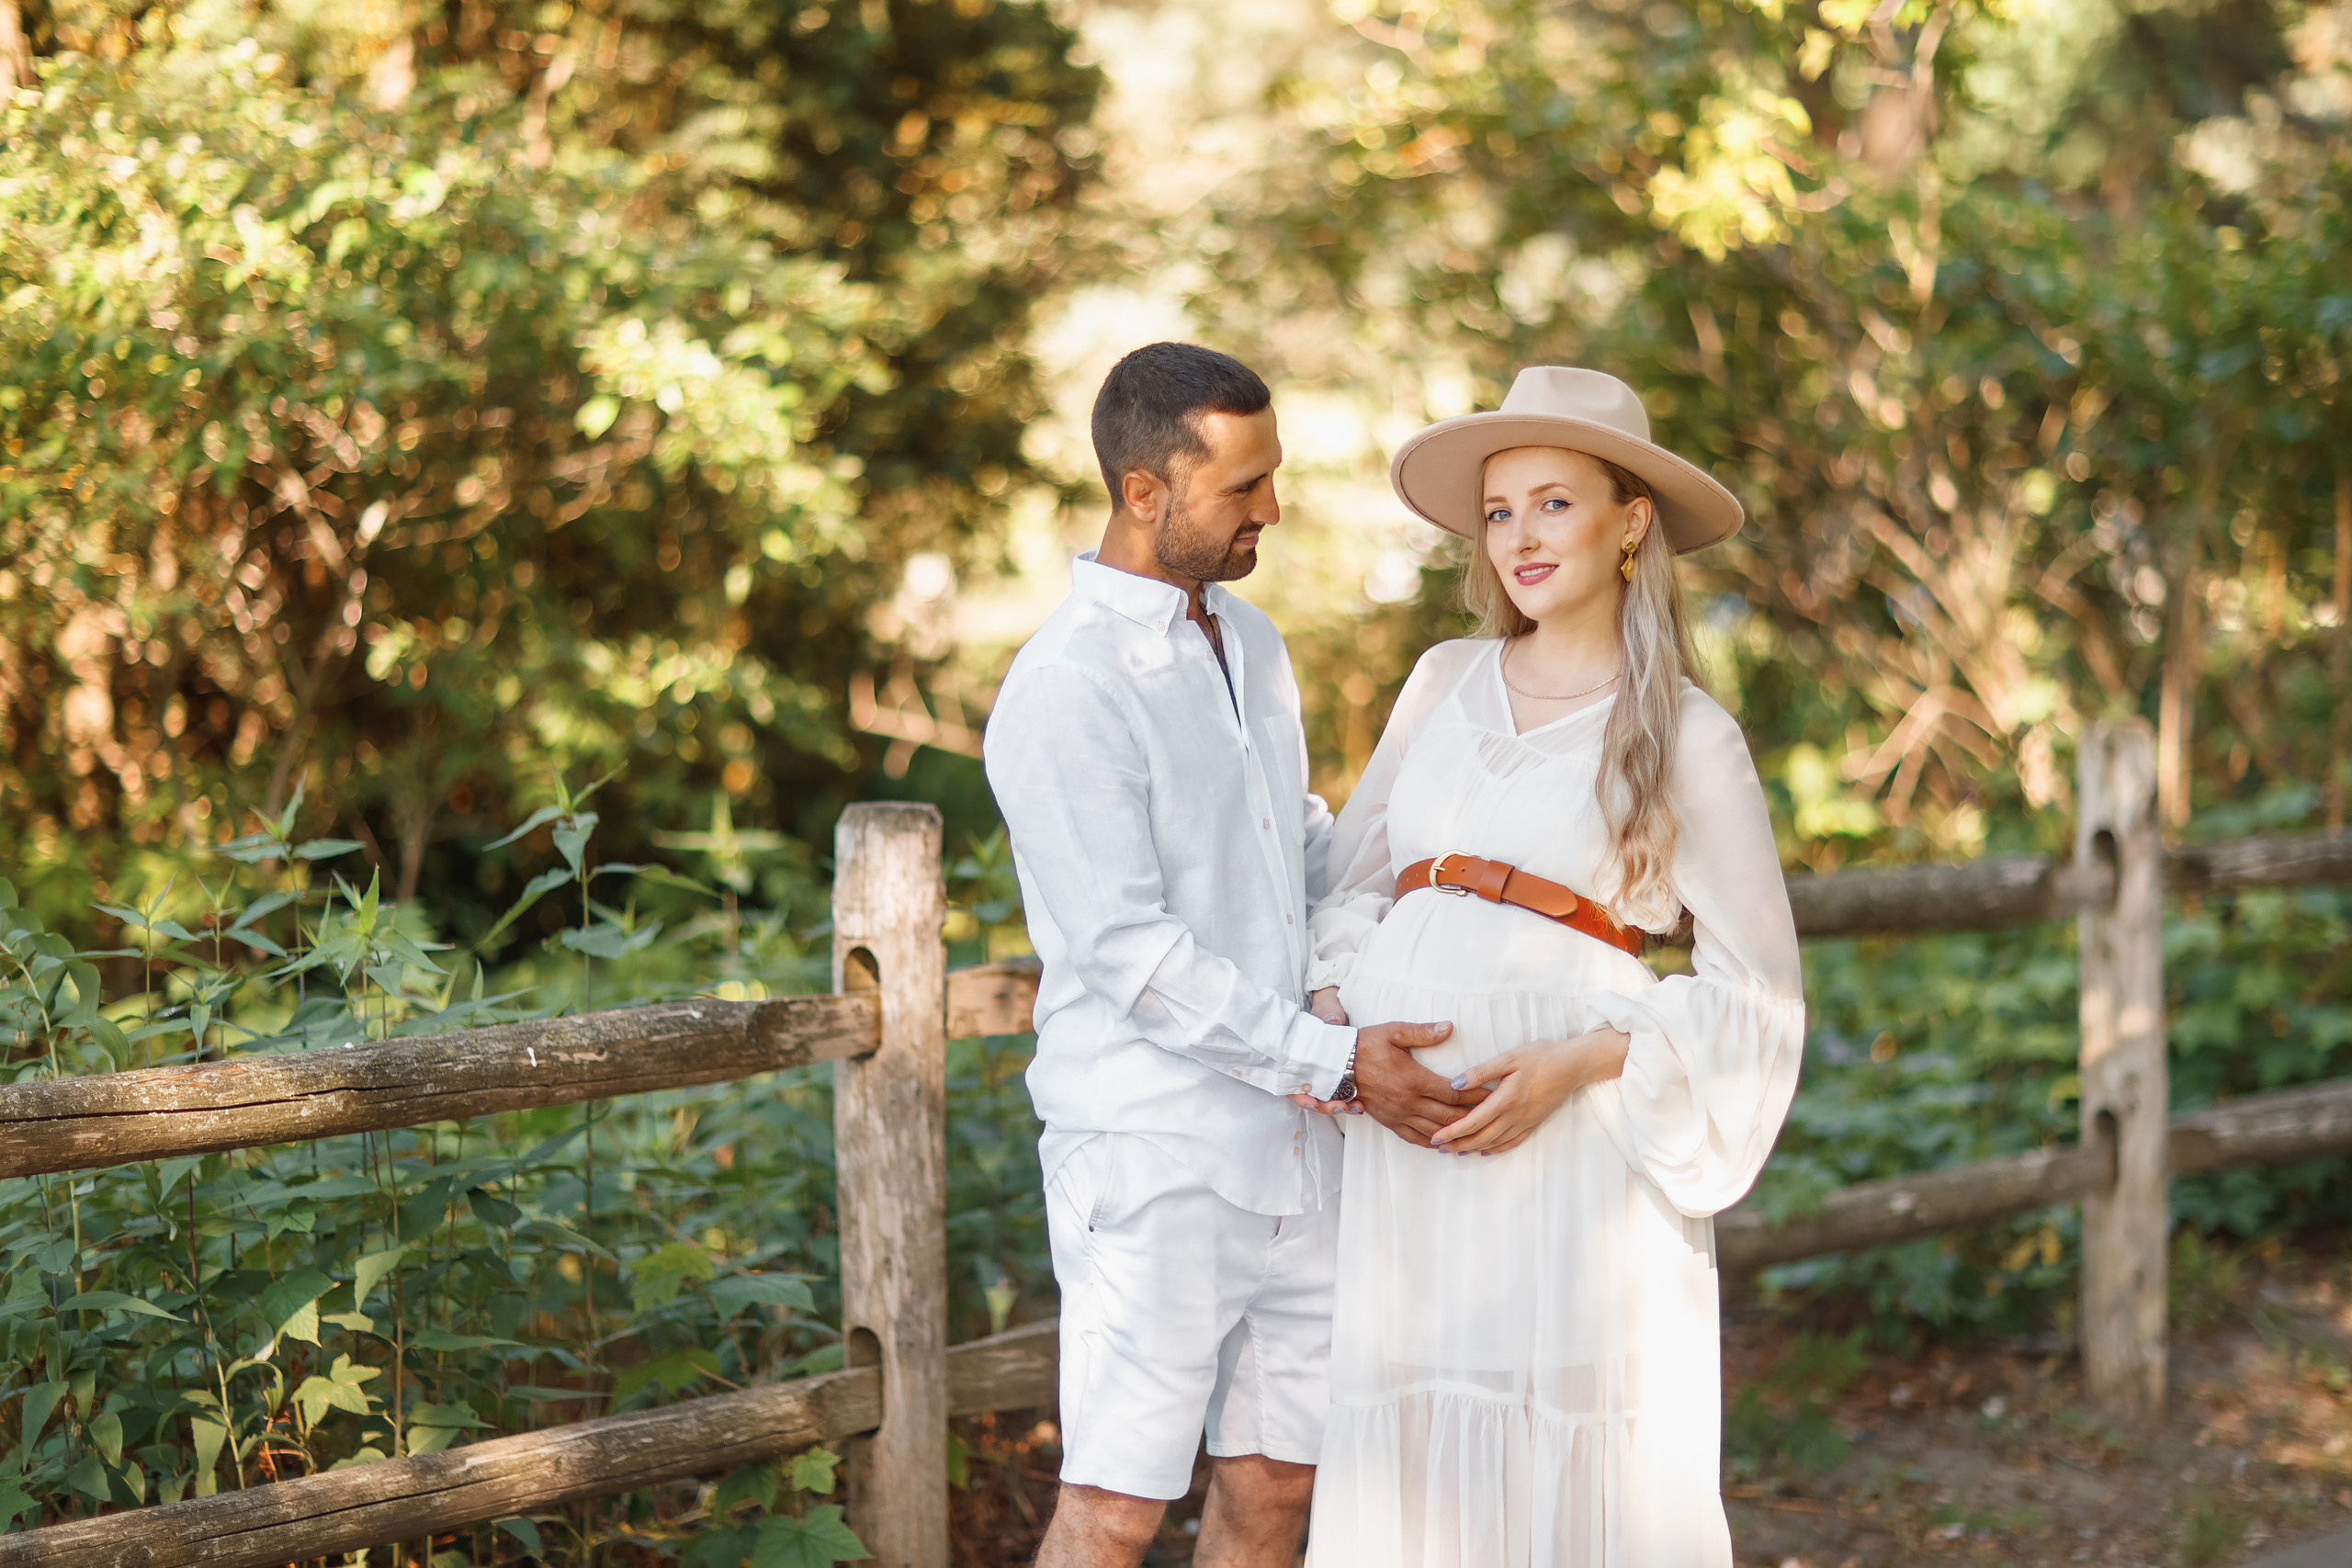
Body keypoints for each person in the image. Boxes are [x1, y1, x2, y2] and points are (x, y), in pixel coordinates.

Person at [1299, 367, 1807, 1567]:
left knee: (1565, 1452)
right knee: (1420, 1456)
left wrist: (1581, 1062)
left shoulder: (1688, 732)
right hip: (1407, 1156)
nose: (1520, 536)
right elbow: (1352, 886)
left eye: (1554, 503)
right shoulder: (1442, 682)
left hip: (1572, 1161)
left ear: (1631, 521)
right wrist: (1343, 1028)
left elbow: (1761, 997)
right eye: (1499, 510)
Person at [982, 342, 1478, 1568]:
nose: (1271, 508)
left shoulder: (1251, 644)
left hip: (1301, 1148)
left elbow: (1293, 848)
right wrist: (1340, 1061)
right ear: (1145, 493)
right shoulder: (1065, 689)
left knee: (1276, 1485)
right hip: (1157, 1159)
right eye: (1242, 487)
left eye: (1272, 477)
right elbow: (1130, 955)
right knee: (1115, 1506)